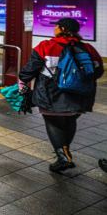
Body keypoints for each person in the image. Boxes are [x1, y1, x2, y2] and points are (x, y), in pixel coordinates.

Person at [19, 18, 103, 173]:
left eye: (56, 26)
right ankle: (65, 152)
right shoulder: (87, 48)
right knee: (69, 120)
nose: (54, 29)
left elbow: (31, 68)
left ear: (62, 28)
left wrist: (22, 81)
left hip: (52, 93)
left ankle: (63, 157)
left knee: (53, 122)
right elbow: (98, 71)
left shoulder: (46, 46)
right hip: (80, 95)